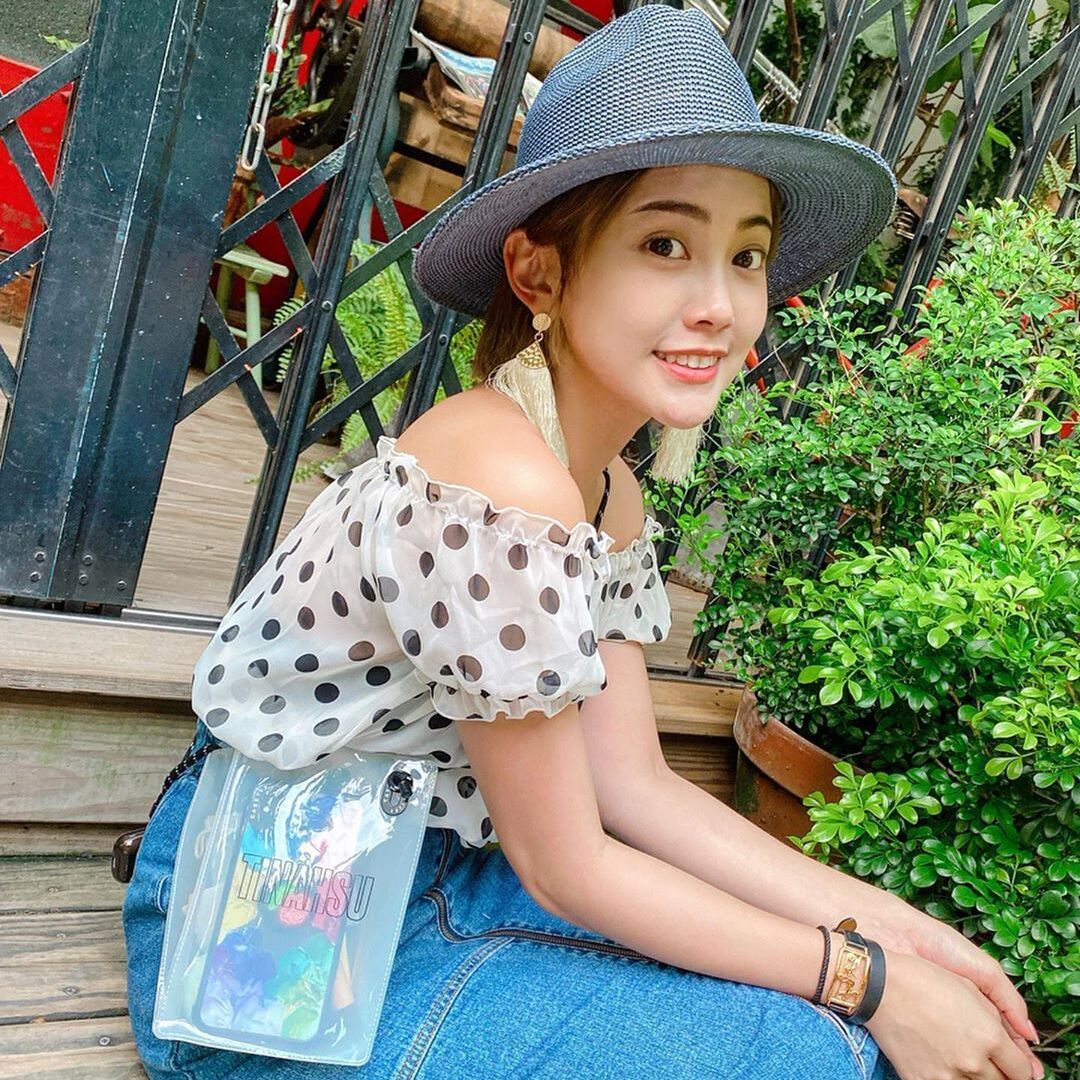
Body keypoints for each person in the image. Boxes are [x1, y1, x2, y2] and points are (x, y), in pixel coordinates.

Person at [122, 6, 1044, 1078]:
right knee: (815, 1055)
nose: (720, 304)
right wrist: (866, 979)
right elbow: (567, 866)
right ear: (540, 274)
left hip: (447, 871)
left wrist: (901, 934)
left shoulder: (607, 494)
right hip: (272, 929)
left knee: (838, 1035)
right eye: (665, 245)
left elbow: (634, 788)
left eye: (747, 256)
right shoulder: (497, 480)